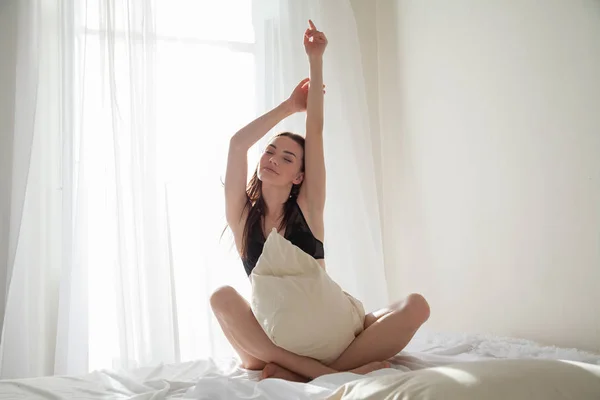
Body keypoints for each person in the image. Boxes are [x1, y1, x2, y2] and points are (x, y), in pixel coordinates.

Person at [210, 20, 430, 382]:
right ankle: (325, 371)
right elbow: (237, 144)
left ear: (300, 176)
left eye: (287, 158)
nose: (273, 159)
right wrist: (288, 106)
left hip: (332, 336)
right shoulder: (241, 218)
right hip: (274, 341)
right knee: (222, 297)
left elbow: (315, 130)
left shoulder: (308, 208)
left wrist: (316, 59)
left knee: (416, 306)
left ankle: (311, 371)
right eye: (270, 151)